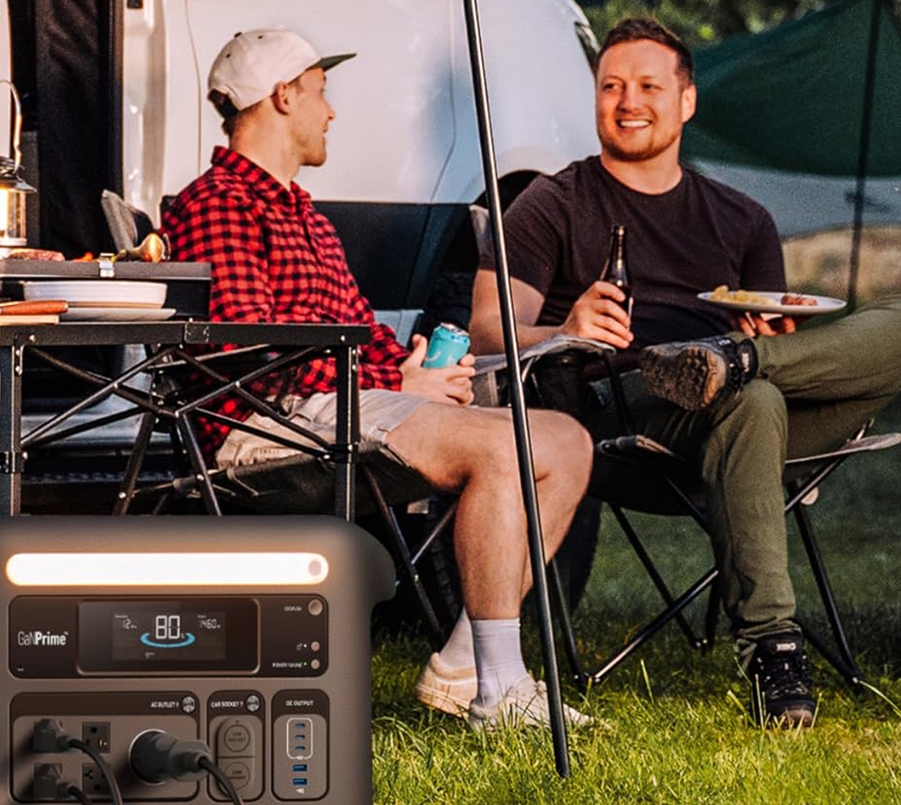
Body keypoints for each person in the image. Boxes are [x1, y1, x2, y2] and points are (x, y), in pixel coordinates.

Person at [469, 18, 901, 728]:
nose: (628, 101)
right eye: (611, 86)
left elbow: (776, 311)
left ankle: (734, 359)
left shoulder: (742, 218)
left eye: (649, 86)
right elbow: (486, 330)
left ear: (687, 102)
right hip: (627, 412)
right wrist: (566, 328)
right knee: (750, 403)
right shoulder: (554, 202)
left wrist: (761, 339)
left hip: (751, 403)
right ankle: (775, 650)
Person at [164, 27, 596, 730]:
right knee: (497, 451)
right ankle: (500, 686)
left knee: (565, 443)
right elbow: (248, 354)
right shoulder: (219, 204)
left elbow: (358, 326)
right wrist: (391, 381)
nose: (330, 112)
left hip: (342, 403)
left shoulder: (304, 213)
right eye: (320, 93)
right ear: (282, 97)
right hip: (264, 427)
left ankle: (466, 661)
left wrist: (413, 367)